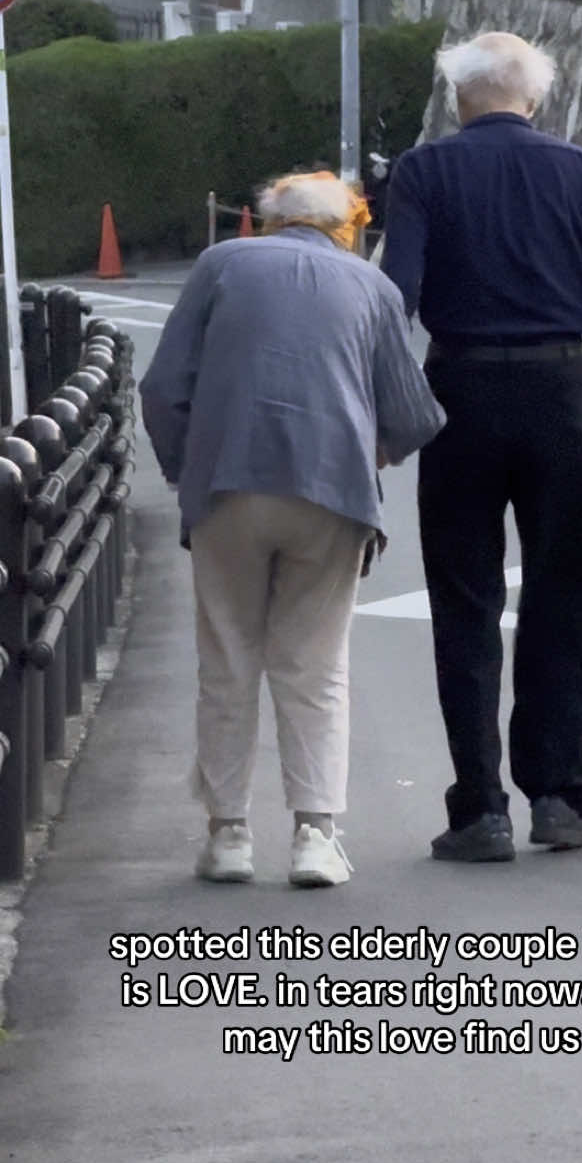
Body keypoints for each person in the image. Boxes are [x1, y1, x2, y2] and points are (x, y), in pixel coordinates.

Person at [381, 31, 582, 863]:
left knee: (465, 597)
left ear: (460, 98)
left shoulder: (423, 172)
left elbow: (395, 297)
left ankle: (479, 809)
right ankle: (558, 795)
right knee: (562, 589)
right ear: (534, 98)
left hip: (458, 390)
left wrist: (374, 401)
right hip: (559, 391)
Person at [140, 170, 446, 888]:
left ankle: (228, 835)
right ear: (346, 226)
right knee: (315, 664)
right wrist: (374, 448)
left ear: (269, 220)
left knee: (227, 656)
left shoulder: (220, 265)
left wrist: (186, 467)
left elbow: (162, 387)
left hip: (227, 484)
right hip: (332, 490)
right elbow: (414, 413)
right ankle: (315, 835)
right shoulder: (372, 287)